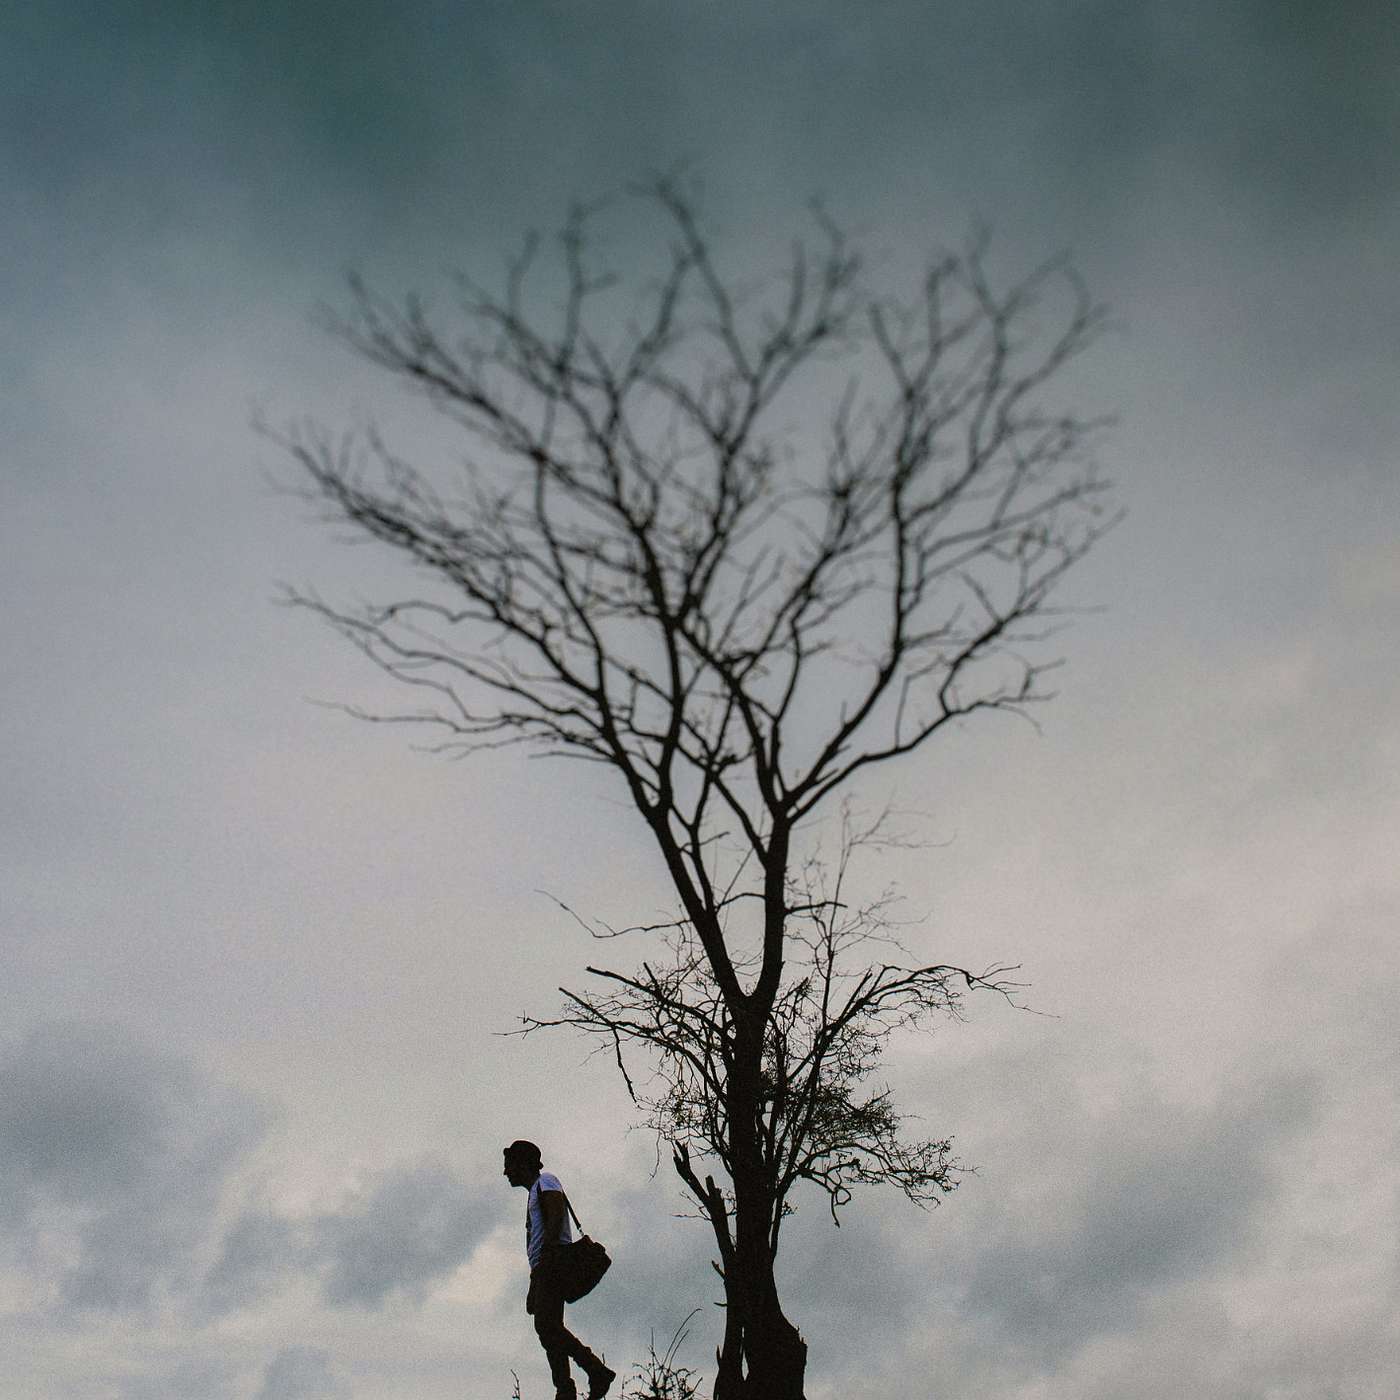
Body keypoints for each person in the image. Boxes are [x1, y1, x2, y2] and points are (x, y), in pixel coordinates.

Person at [503, 1139, 616, 1400]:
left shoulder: (547, 1181)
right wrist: (535, 1276)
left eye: (509, 1165)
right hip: (544, 1266)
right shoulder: (536, 1190)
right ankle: (567, 1387)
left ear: (523, 1164)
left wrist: (546, 1260)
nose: (506, 1171)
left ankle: (592, 1372)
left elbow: (555, 1217)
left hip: (552, 1263)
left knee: (546, 1325)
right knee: (548, 1328)